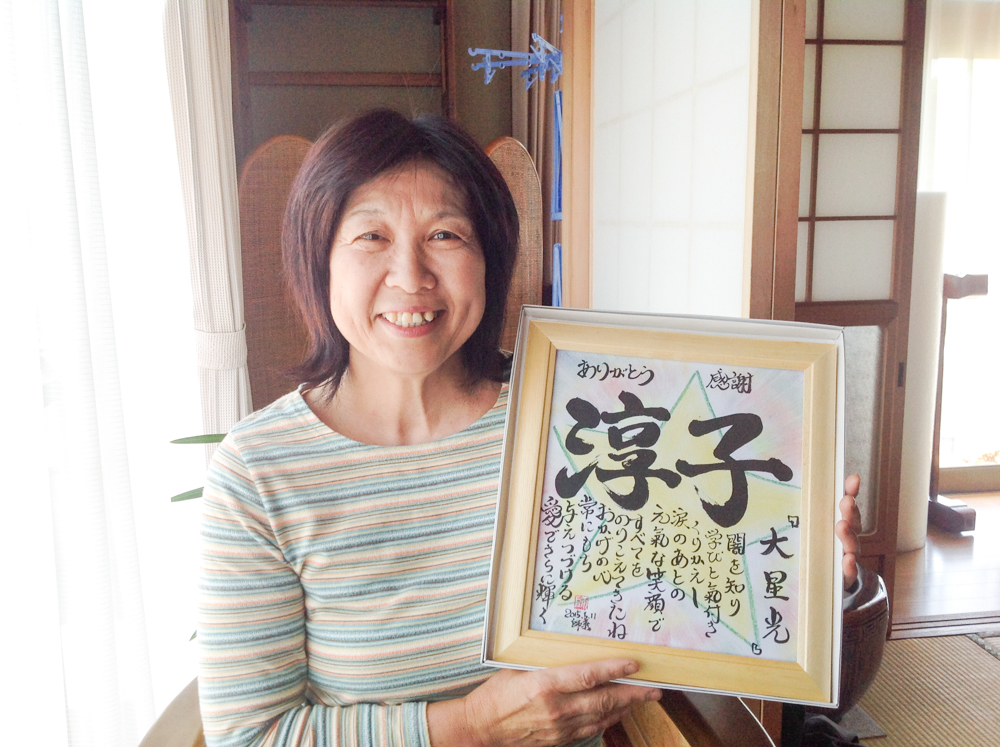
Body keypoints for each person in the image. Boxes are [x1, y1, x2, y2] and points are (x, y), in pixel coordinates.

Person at [198, 109, 863, 747]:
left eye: (445, 235)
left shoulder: (576, 414)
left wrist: (799, 571)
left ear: (490, 257)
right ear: (319, 258)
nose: (411, 276)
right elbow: (250, 736)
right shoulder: (258, 472)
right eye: (371, 236)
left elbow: (672, 589)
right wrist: (471, 727)